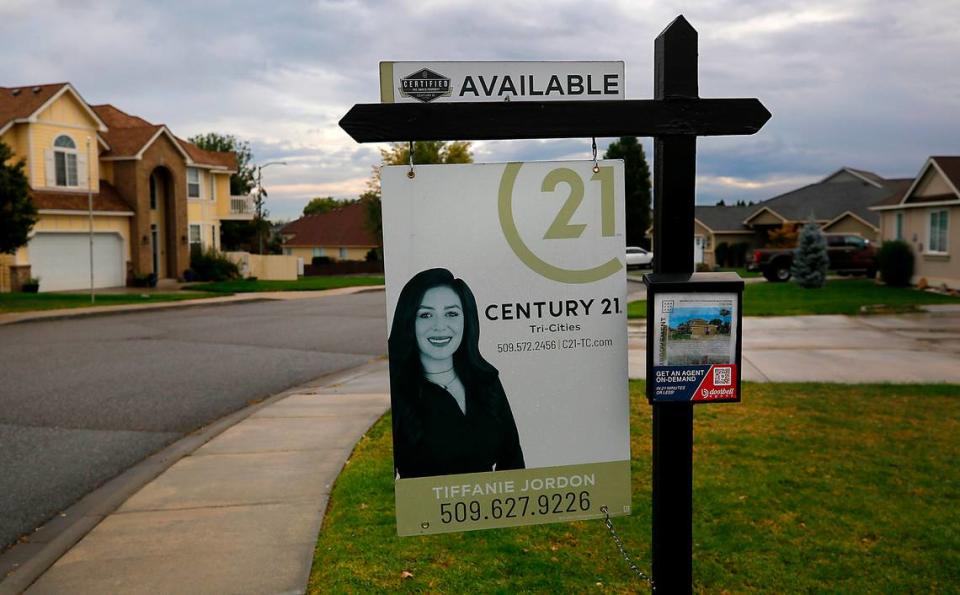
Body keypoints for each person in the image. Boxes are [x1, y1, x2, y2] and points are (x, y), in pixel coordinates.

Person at [389, 267, 524, 478]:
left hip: (489, 507)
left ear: (466, 320)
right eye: (425, 315)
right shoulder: (395, 389)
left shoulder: (486, 380)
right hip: (426, 509)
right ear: (408, 321)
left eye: (451, 313)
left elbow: (513, 460)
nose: (440, 327)